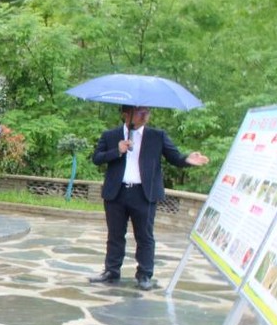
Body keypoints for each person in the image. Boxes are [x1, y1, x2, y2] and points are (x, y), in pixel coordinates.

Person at [89, 105, 209, 290]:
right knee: (115, 235)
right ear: (126, 114)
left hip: (143, 194)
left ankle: (144, 275)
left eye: (147, 111)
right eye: (139, 112)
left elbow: (174, 157)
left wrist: (187, 159)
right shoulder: (110, 135)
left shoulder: (157, 136)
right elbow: (97, 158)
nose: (145, 115)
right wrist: (117, 150)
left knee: (144, 236)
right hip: (116, 193)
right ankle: (111, 271)